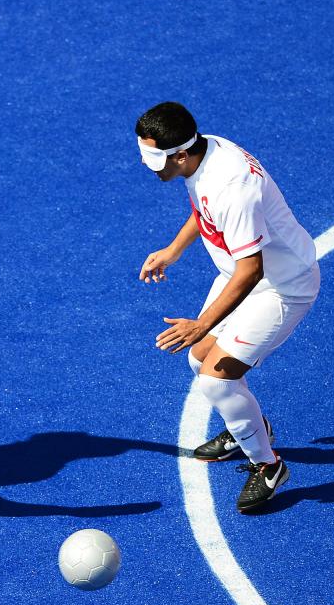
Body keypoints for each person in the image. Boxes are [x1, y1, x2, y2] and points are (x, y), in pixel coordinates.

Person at [135, 101, 319, 512]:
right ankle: (249, 428)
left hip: (281, 287)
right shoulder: (202, 155)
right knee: (200, 363)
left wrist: (201, 324)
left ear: (181, 153)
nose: (148, 166)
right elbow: (203, 209)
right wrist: (174, 250)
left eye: (155, 158)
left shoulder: (232, 188)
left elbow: (250, 271)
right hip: (240, 275)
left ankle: (269, 466)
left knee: (217, 380)